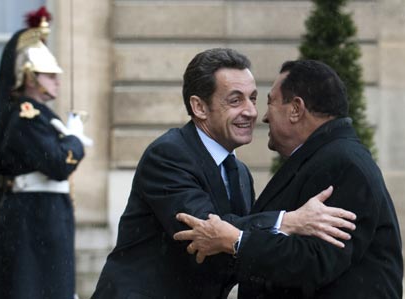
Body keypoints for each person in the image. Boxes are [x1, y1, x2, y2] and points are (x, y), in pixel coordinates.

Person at [91, 49, 355, 299]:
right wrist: (289, 221)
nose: (251, 112)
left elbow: (233, 249)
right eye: (235, 100)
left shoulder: (239, 173)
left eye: (252, 98)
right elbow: (206, 232)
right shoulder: (169, 155)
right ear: (199, 107)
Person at [174, 59, 403, 298]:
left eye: (269, 102)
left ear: (296, 109)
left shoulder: (343, 164)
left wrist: (237, 241)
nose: (262, 117)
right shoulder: (325, 158)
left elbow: (315, 260)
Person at [0, 7, 92, 299]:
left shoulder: (39, 116)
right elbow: (57, 163)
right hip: (32, 217)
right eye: (48, 74)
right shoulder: (26, 116)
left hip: (44, 212)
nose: (57, 79)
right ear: (29, 76)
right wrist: (76, 141)